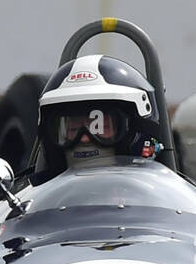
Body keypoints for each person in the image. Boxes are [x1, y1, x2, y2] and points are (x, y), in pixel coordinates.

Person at [32, 54, 162, 181]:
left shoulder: (168, 197)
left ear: (133, 131)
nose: (84, 138)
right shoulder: (32, 199)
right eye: (73, 129)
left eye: (99, 126)